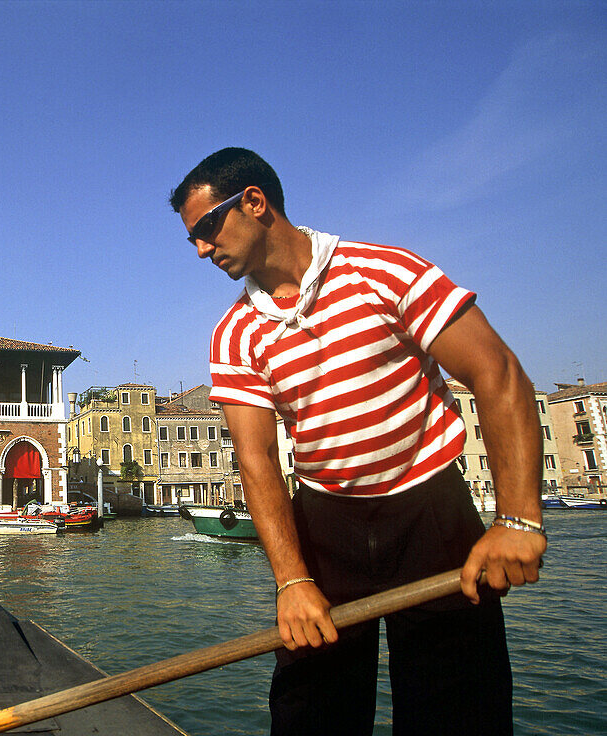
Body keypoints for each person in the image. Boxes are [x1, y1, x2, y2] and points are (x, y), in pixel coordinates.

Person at [170, 147, 546, 735]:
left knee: (457, 714)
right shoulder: (235, 334)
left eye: (206, 227)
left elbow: (497, 373)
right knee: (310, 716)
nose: (200, 249)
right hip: (325, 531)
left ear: (254, 202)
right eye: (191, 238)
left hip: (433, 516)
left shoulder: (385, 272)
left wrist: (519, 518)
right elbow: (257, 460)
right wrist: (292, 581)